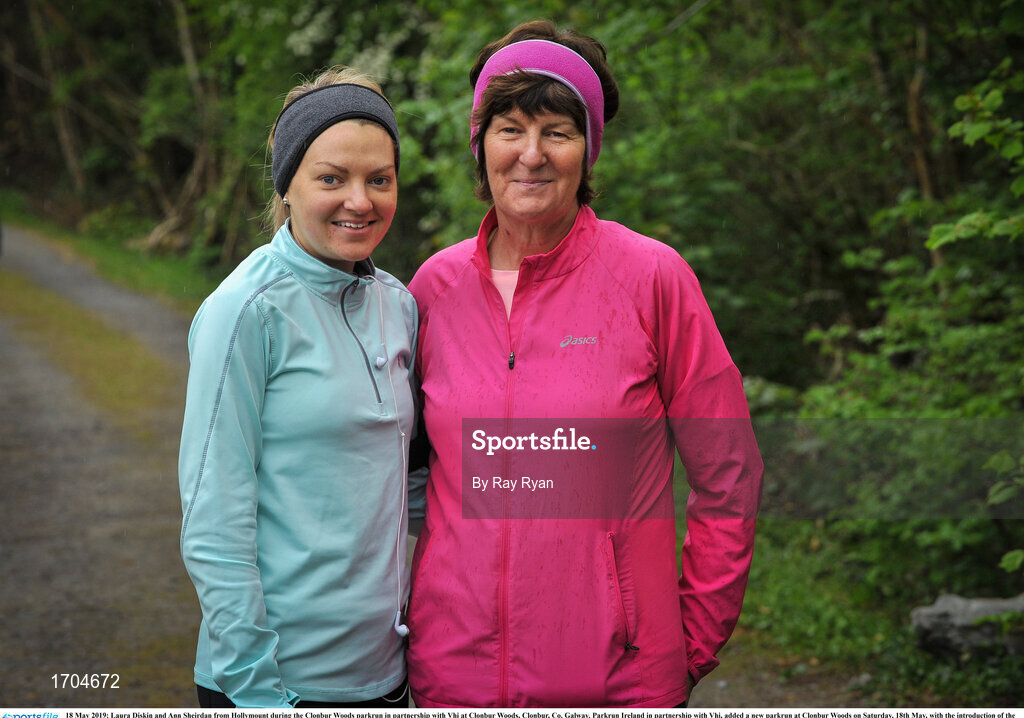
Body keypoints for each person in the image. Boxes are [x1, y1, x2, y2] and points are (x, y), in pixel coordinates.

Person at [405, 20, 763, 708]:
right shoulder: (433, 290)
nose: (531, 155)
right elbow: (397, 478)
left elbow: (729, 475)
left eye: (557, 132)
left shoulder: (652, 278)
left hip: (617, 680)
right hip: (453, 676)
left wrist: (693, 640)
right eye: (509, 128)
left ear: (587, 150)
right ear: (480, 147)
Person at [178, 66, 417, 708]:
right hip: (279, 684)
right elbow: (213, 521)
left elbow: (410, 486)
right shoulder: (246, 311)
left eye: (379, 179)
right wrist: (257, 691)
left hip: (388, 675)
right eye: (331, 178)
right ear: (287, 187)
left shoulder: (399, 305)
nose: (359, 200)